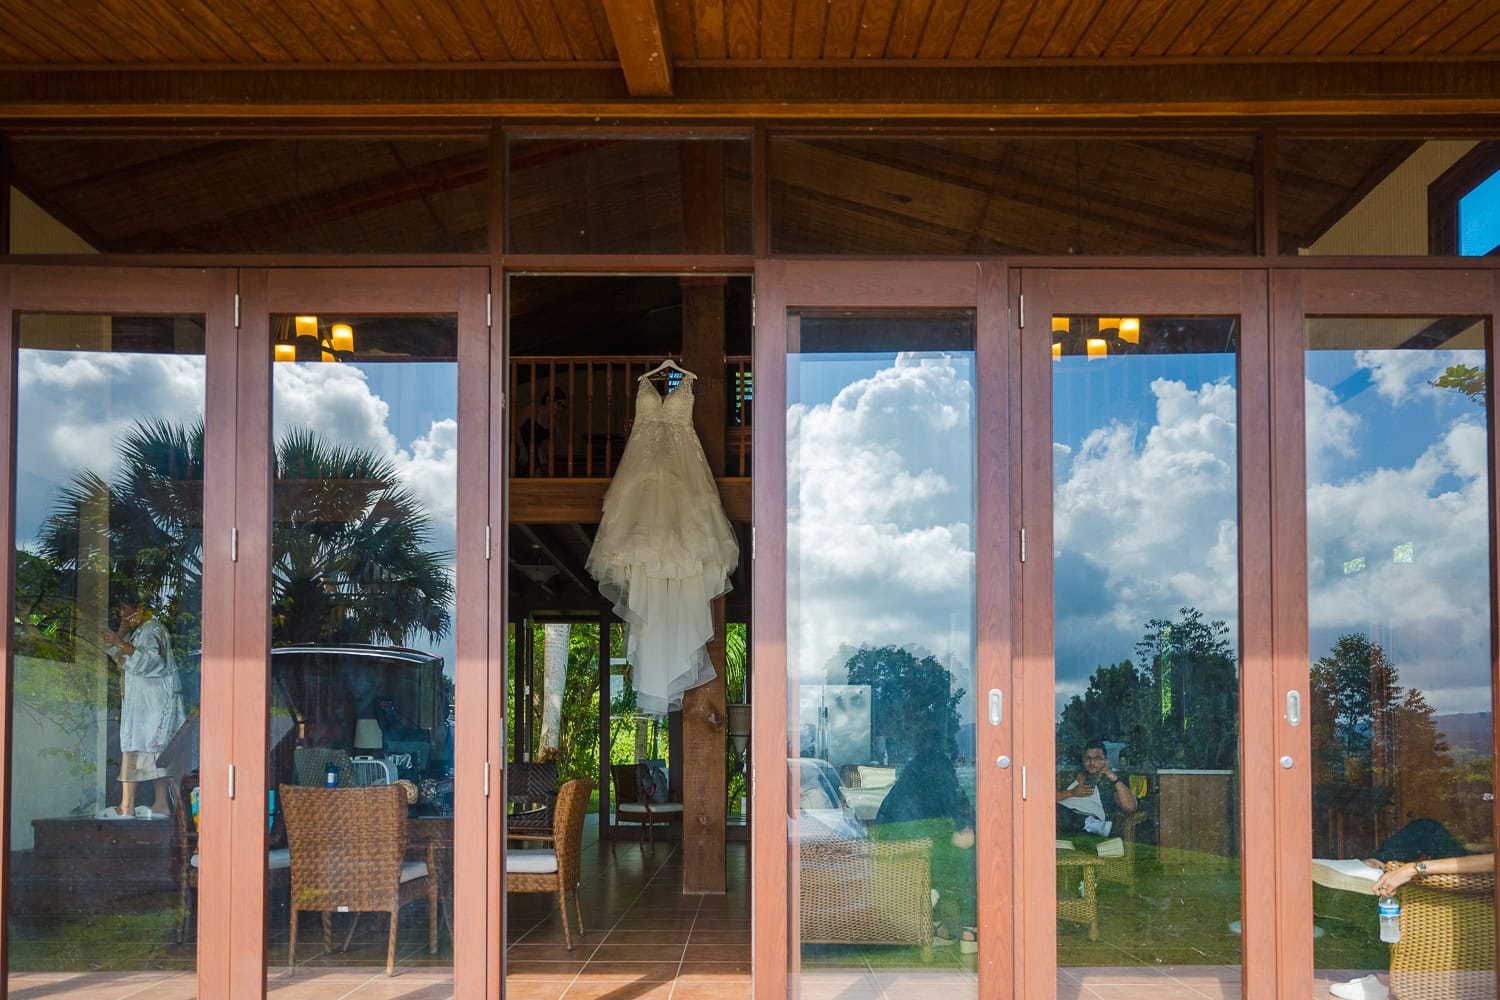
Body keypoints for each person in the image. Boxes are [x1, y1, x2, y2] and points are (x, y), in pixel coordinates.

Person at [873, 747, 977, 952]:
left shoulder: (898, 793)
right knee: (975, 856)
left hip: (892, 873)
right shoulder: (934, 799)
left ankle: (937, 923)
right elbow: (961, 838)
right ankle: (970, 929)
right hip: (923, 873)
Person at [98, 595, 184, 820]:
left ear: (141, 608)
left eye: (125, 609)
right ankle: (160, 804)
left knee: (144, 750)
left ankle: (127, 805)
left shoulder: (152, 629)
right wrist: (121, 630)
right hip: (145, 703)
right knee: (151, 752)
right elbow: (120, 656)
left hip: (152, 703)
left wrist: (119, 642)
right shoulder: (142, 631)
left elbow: (153, 662)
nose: (123, 614)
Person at [1056, 739, 1137, 837]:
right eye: (1088, 758)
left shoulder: (1109, 782)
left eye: (1098, 758)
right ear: (1083, 760)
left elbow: (1130, 808)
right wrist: (1071, 793)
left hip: (1086, 824)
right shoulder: (1068, 776)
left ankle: (1089, 824)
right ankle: (1088, 823)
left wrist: (1115, 779)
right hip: (1063, 818)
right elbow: (1046, 799)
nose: (1092, 763)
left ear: (1106, 761)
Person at [514, 386, 568, 475]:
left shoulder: (553, 421)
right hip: (518, 446)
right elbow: (515, 427)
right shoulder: (533, 409)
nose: (560, 408)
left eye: (563, 406)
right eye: (558, 403)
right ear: (548, 400)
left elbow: (563, 441)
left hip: (533, 452)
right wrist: (522, 449)